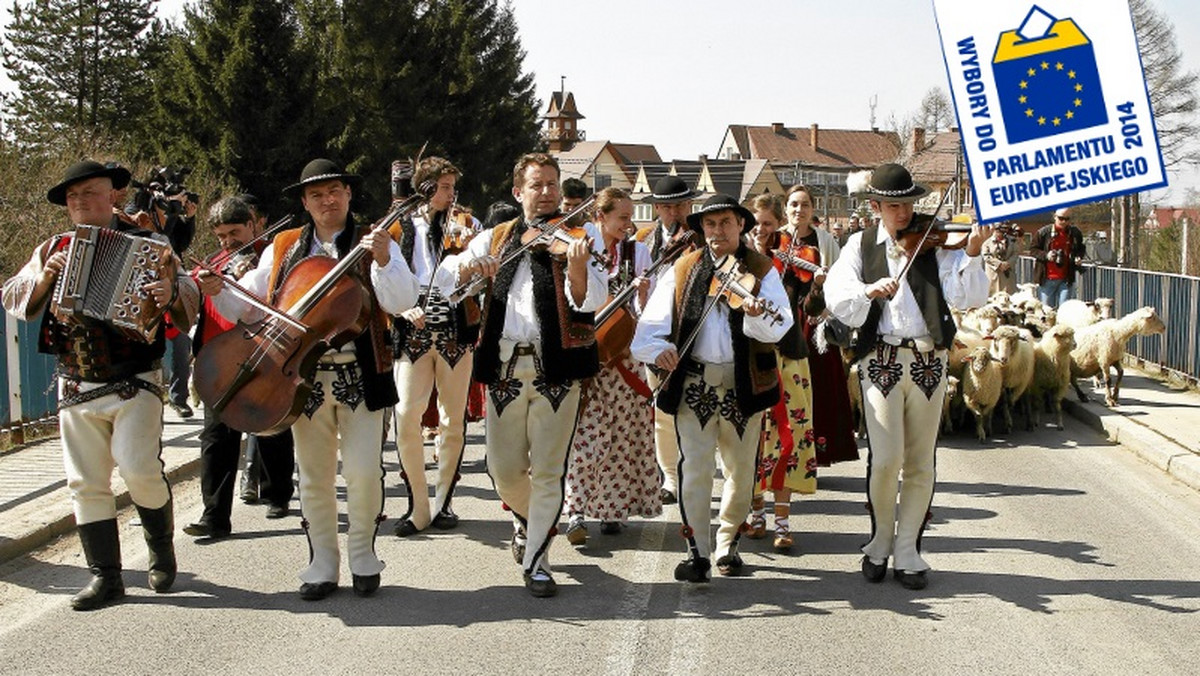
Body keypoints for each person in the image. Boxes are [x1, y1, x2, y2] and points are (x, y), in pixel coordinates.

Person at [200, 158, 418, 601]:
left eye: (335, 191)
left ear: (349, 194)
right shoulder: (282, 247)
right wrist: (219, 290)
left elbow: (401, 299)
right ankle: (321, 563)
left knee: (361, 472)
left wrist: (380, 261)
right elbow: (253, 306)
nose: (327, 200)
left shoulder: (377, 239)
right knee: (314, 476)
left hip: (360, 372)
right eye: (317, 194)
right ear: (304, 202)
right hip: (300, 377)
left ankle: (362, 554)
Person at [2, 160, 198, 610]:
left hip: (136, 380)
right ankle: (106, 577)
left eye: (89, 193)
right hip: (75, 383)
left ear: (112, 195)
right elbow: (16, 296)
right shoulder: (53, 246)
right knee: (85, 482)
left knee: (138, 468)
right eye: (72, 197)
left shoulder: (151, 243)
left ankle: (161, 548)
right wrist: (48, 274)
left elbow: (188, 296)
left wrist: (170, 296)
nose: (79, 202)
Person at [434, 152, 607, 597]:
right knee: (503, 470)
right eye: (537, 185)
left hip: (557, 369)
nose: (547, 192)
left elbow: (590, 302)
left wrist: (578, 265)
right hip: (505, 367)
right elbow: (446, 278)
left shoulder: (580, 235)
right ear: (518, 192)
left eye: (552, 184)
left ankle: (537, 561)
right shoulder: (494, 237)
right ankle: (533, 522)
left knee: (548, 471)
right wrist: (472, 267)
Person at [825, 163, 990, 590]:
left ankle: (908, 550)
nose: (904, 214)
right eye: (895, 206)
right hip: (880, 358)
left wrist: (972, 253)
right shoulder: (860, 246)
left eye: (909, 205)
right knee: (885, 459)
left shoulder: (934, 243)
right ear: (876, 205)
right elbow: (837, 295)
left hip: (929, 359)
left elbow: (966, 296)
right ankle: (878, 542)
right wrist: (867, 291)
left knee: (920, 462)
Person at [631, 194, 793, 583]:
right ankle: (697, 551)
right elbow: (648, 330)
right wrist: (661, 351)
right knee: (695, 469)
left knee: (740, 470)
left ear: (740, 225)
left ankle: (727, 543)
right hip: (695, 383)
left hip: (744, 382)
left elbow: (780, 324)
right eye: (710, 224)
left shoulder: (761, 269)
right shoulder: (684, 269)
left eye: (725, 223)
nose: (717, 231)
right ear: (702, 229)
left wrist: (756, 315)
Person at [184, 196, 296, 539]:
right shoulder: (214, 264)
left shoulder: (273, 257)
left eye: (235, 232)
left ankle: (278, 492)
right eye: (221, 236)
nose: (228, 242)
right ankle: (214, 515)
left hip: (262, 354)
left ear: (254, 225)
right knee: (217, 437)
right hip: (220, 361)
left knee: (270, 426)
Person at [388, 156, 480, 537]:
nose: (451, 195)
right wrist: (403, 307)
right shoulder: (397, 228)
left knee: (452, 419)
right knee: (406, 414)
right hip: (411, 333)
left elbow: (475, 286)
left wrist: (472, 270)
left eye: (452, 188)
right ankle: (418, 504)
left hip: (455, 331)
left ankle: (444, 500)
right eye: (444, 188)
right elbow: (386, 277)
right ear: (424, 188)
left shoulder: (466, 228)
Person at [564, 187, 660, 546]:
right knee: (584, 435)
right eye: (621, 217)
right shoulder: (579, 248)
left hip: (625, 354)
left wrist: (644, 297)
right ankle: (575, 510)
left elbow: (648, 311)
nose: (628, 224)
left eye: (630, 216)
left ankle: (612, 508)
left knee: (622, 434)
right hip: (586, 354)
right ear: (599, 216)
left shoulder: (639, 252)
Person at [743, 192, 818, 553]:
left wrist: (817, 287)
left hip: (789, 354)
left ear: (779, 227)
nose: (761, 230)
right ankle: (756, 514)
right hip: (751, 357)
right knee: (753, 437)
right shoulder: (737, 261)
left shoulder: (795, 258)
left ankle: (783, 521)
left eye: (769, 225)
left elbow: (812, 305)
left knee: (789, 435)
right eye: (755, 224)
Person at [634, 175, 702, 505]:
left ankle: (694, 471)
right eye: (668, 207)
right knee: (662, 409)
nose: (675, 212)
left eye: (681, 205)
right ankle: (670, 477)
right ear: (657, 208)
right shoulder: (642, 240)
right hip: (655, 330)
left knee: (691, 408)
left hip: (694, 330)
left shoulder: (702, 239)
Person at [1030, 207, 1085, 308]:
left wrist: (1078, 257)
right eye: (1061, 218)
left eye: (1067, 219)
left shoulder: (1074, 233)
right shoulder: (1043, 232)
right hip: (1046, 279)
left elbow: (1081, 248)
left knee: (1064, 310)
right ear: (1054, 217)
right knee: (1047, 311)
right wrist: (1046, 255)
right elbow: (1033, 250)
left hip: (1066, 279)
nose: (1064, 222)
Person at [982, 223, 1019, 295]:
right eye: (998, 231)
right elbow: (986, 256)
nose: (1000, 234)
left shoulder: (1012, 241)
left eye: (1002, 232)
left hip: (1008, 275)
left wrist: (1008, 263)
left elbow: (1015, 253)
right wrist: (999, 264)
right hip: (994, 274)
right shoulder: (987, 243)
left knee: (1009, 296)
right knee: (993, 297)